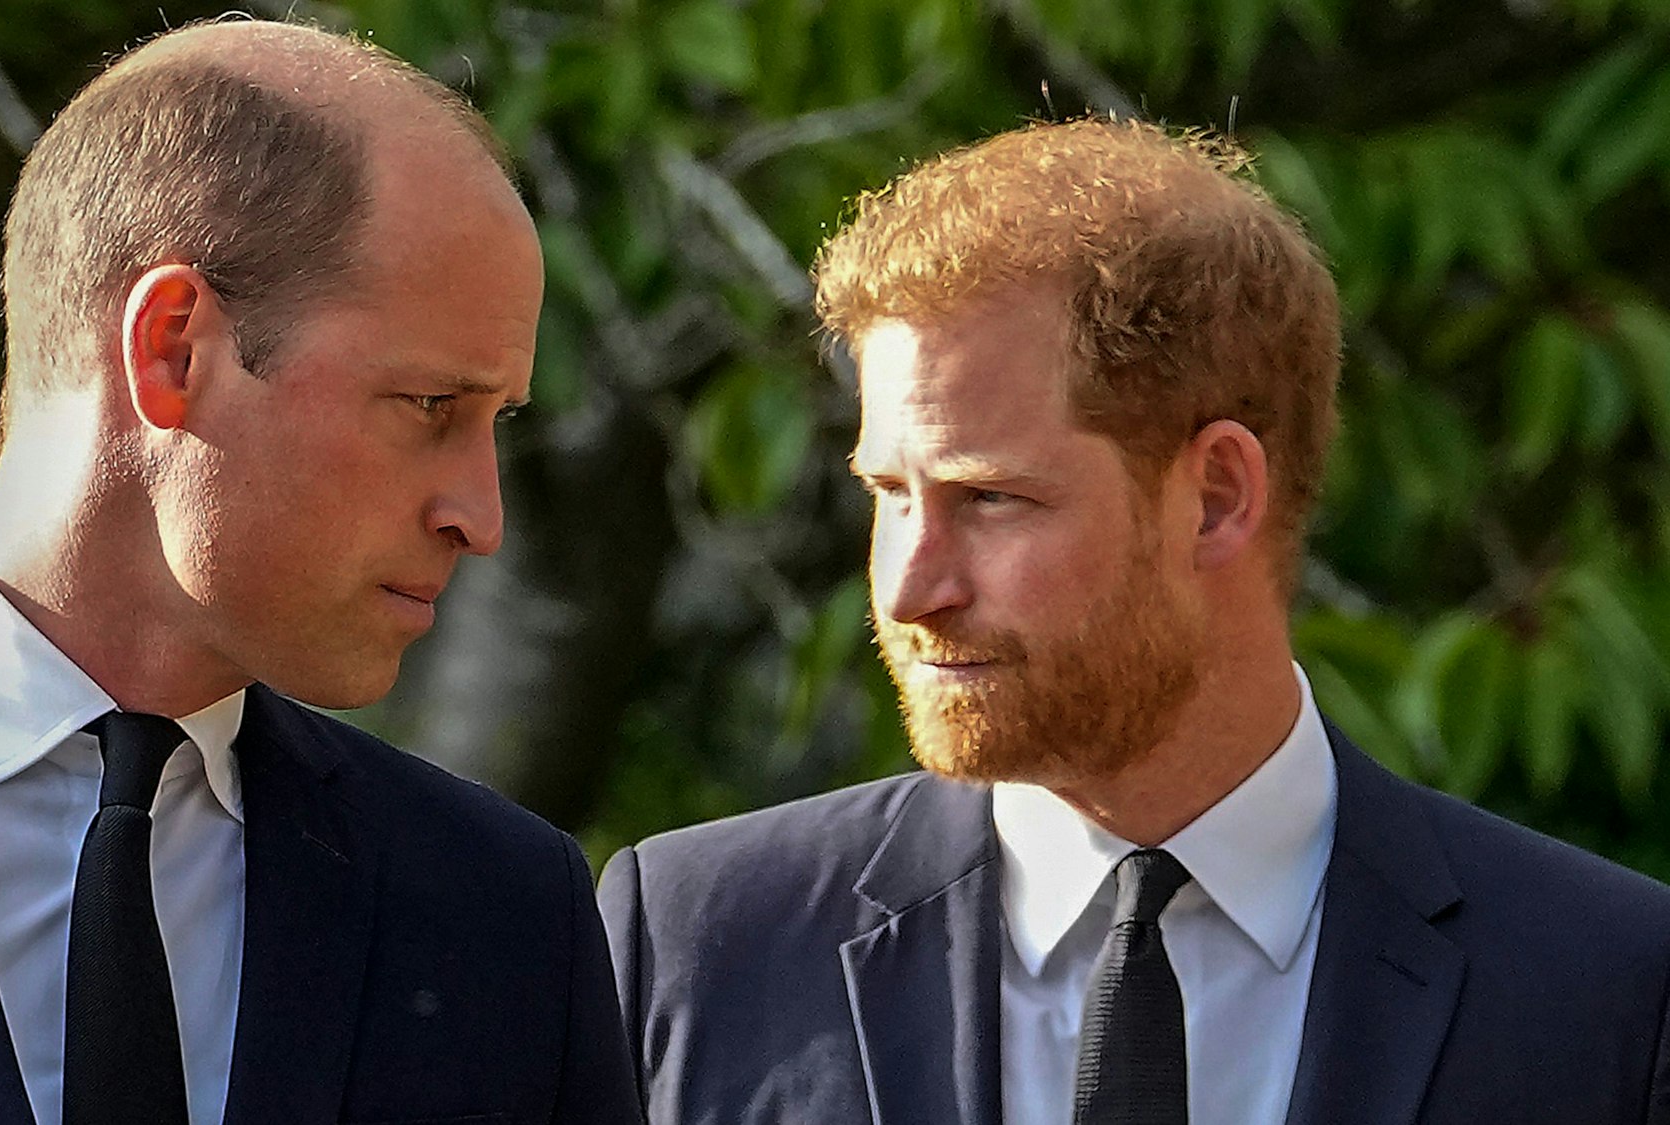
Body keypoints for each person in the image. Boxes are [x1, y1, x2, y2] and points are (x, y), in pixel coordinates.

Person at [598, 118, 1670, 1124]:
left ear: (1214, 496)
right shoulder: (698, 941)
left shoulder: (1604, 987)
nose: (907, 590)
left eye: (989, 498)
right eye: (886, 492)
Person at [0, 18, 640, 1125]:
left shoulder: (503, 917)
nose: (482, 515)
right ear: (174, 346)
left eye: (496, 421)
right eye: (431, 407)